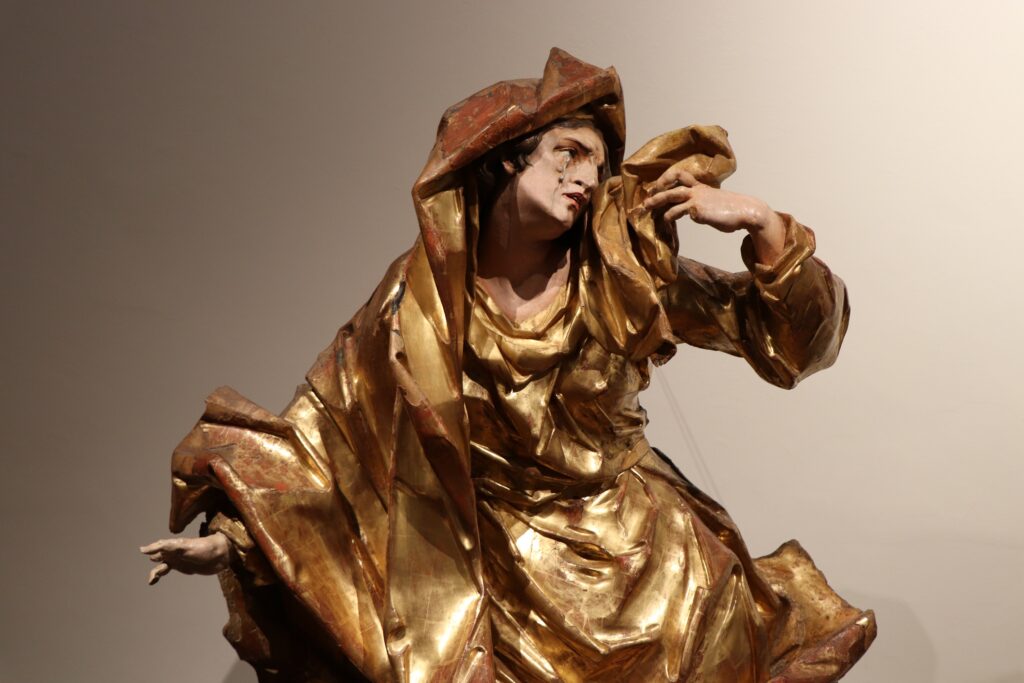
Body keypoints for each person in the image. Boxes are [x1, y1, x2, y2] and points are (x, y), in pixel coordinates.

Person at [142, 48, 875, 682]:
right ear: (504, 158)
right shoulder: (419, 302)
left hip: (659, 580)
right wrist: (237, 538)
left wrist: (765, 226)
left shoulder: (619, 276)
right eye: (568, 153)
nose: (587, 177)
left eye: (598, 164)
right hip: (500, 593)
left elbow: (793, 344)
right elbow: (328, 429)